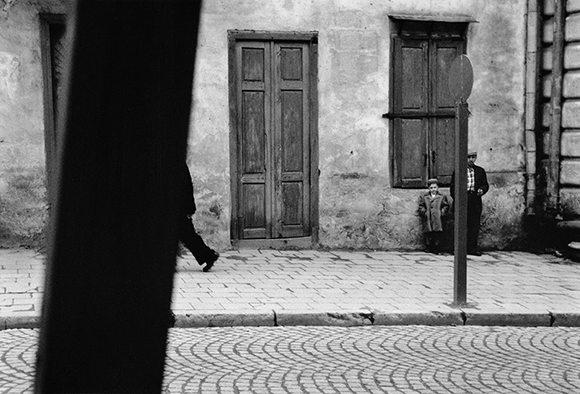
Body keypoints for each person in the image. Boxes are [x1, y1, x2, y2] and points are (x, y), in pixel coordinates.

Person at [179, 162, 219, 272]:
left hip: (179, 208)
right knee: (187, 235)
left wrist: (189, 209)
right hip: (177, 207)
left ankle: (209, 256)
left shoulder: (177, 165)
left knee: (188, 235)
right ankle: (209, 256)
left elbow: (186, 187)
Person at [450, 150, 489, 256]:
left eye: (473, 157)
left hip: (475, 199)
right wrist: (458, 199)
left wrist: (482, 189)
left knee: (474, 225)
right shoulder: (458, 170)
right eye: (469, 157)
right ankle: (459, 249)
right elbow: (453, 188)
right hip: (463, 199)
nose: (471, 160)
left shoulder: (480, 171)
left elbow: (485, 184)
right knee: (461, 225)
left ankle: (472, 248)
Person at [418, 178, 450, 254]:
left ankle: (436, 247)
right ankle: (429, 246)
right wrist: (424, 212)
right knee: (428, 232)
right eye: (431, 188)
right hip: (428, 217)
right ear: (428, 188)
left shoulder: (441, 196)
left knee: (437, 232)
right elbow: (421, 206)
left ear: (438, 188)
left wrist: (442, 212)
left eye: (435, 187)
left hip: (437, 217)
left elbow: (446, 205)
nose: (433, 189)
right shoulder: (425, 197)